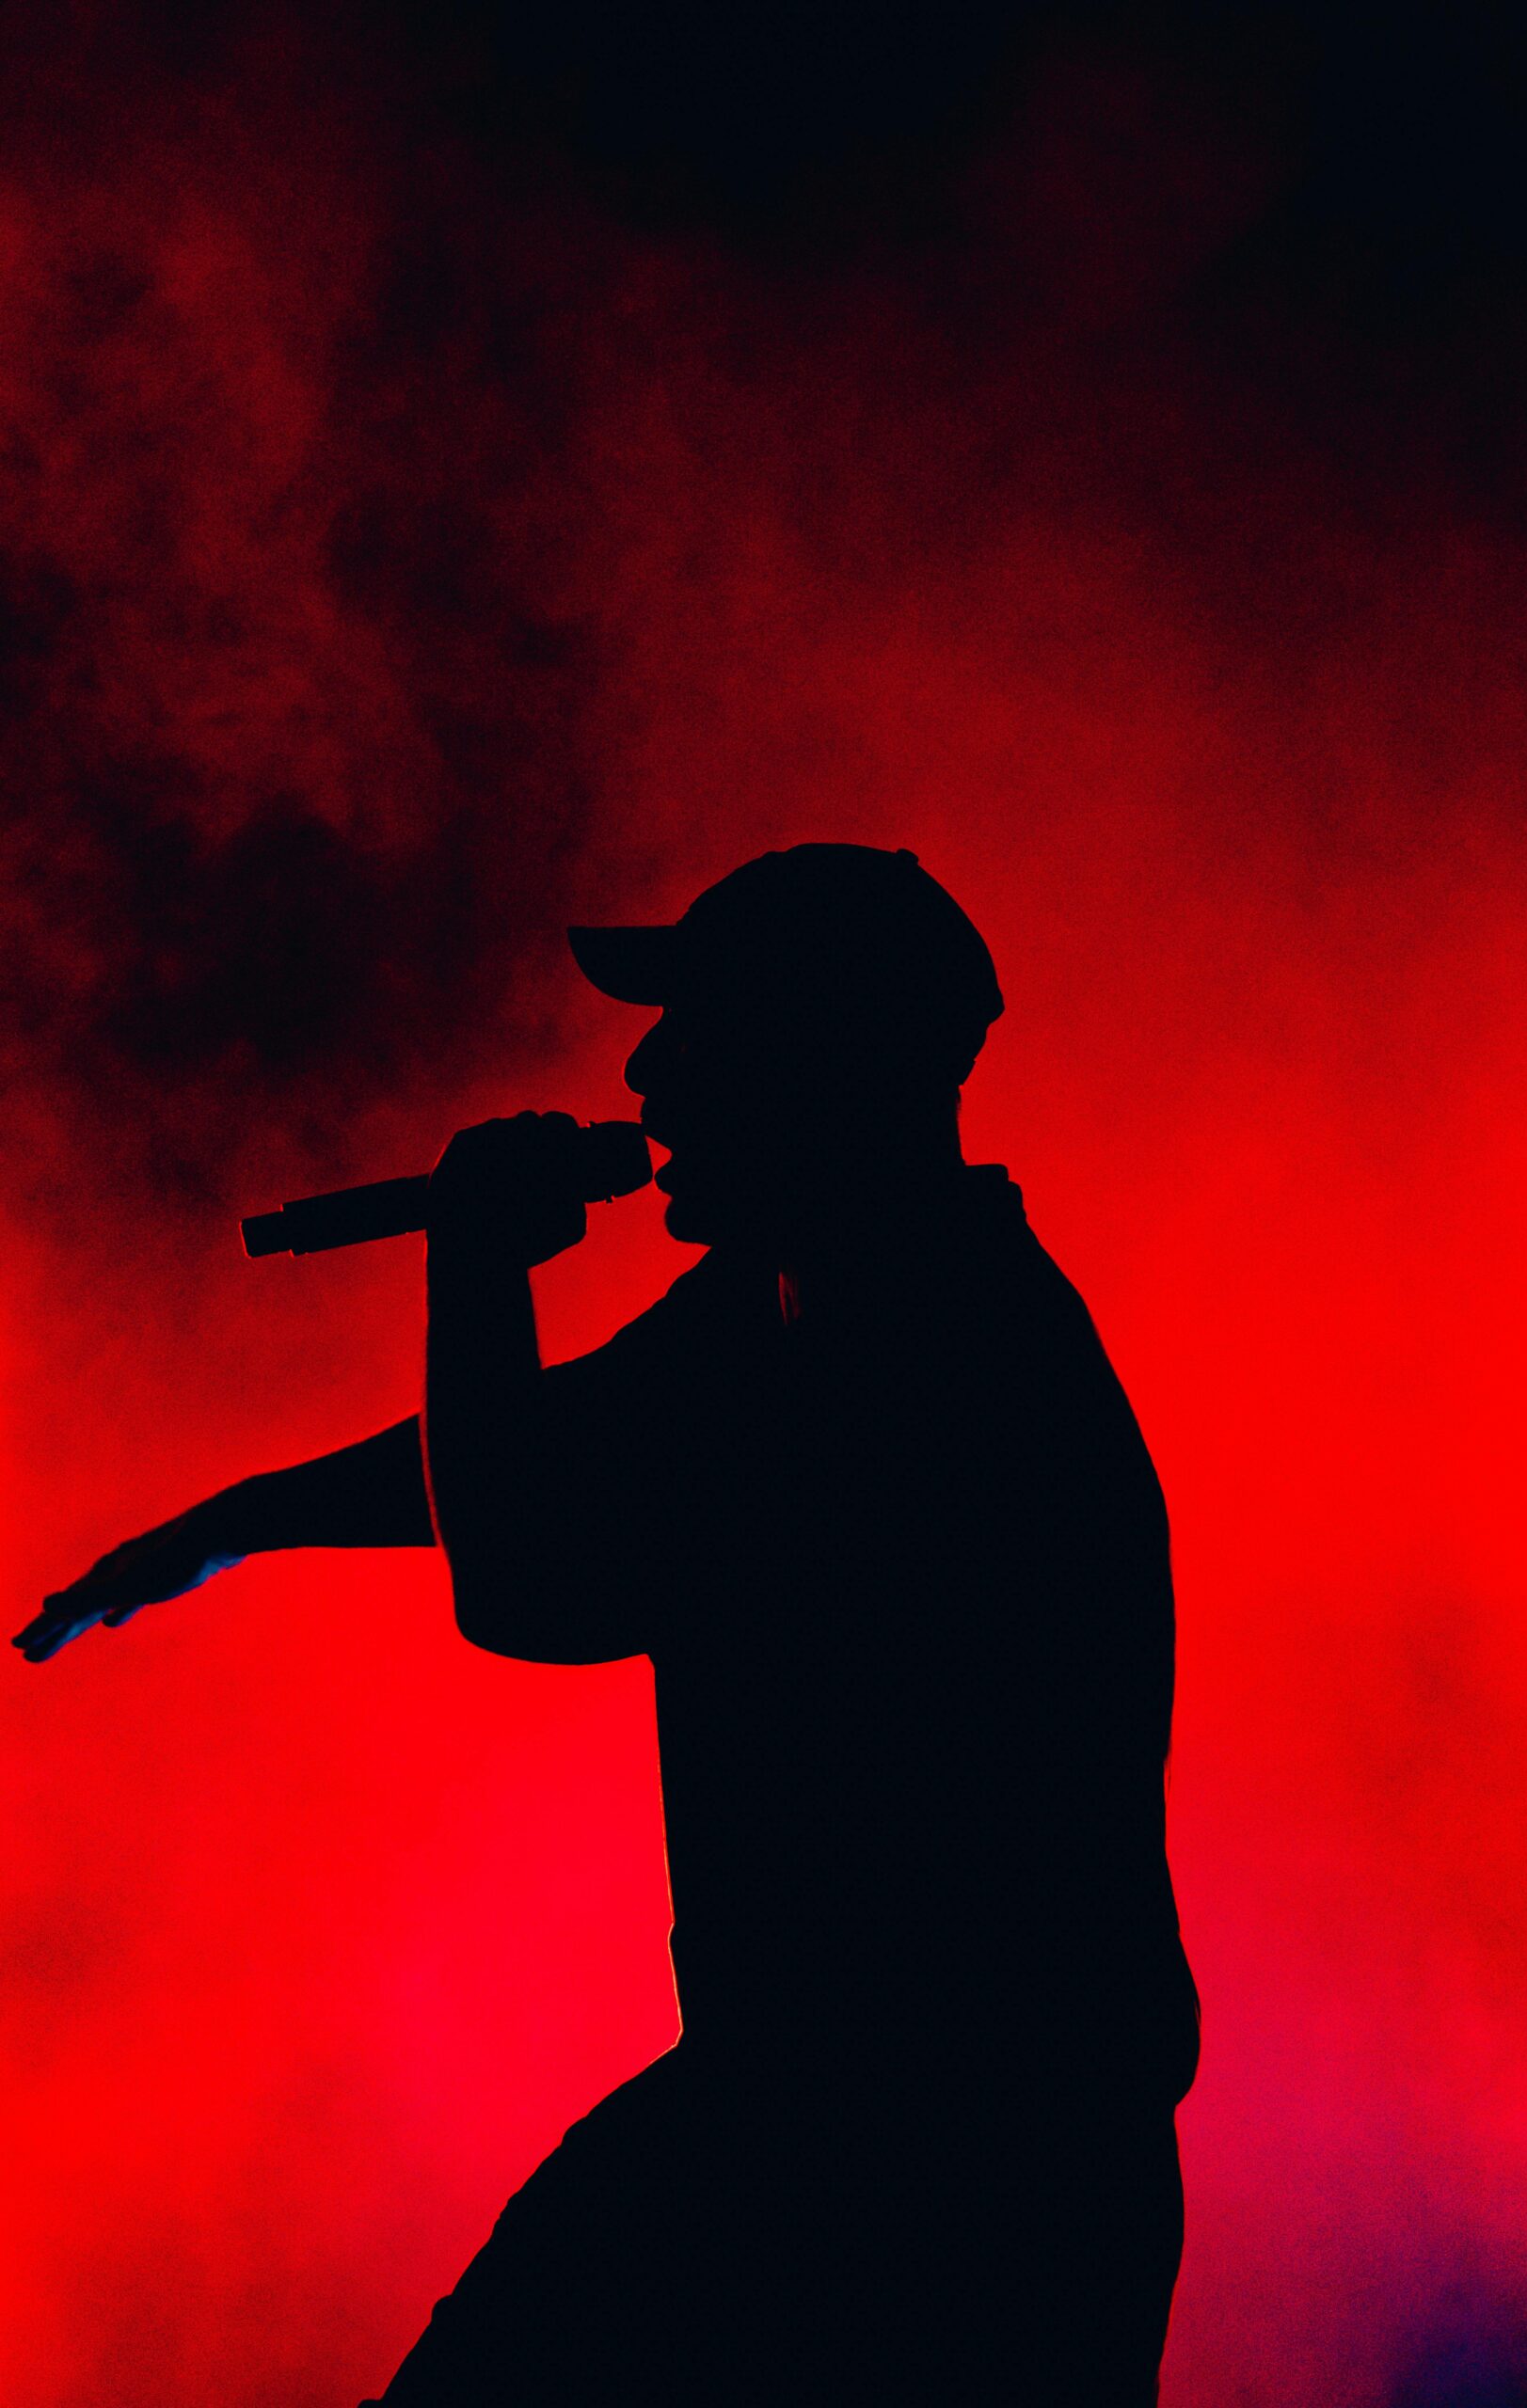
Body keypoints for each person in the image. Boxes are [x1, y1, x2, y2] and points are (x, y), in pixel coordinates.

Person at [16, 843, 1200, 2403]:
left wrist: (476, 1266)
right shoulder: (796, 1296)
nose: (643, 1073)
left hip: (949, 2160)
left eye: (695, 1030)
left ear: (819, 1061)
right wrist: (240, 1519)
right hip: (816, 2118)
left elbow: (527, 1575)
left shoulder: (929, 1361)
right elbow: (560, 1444)